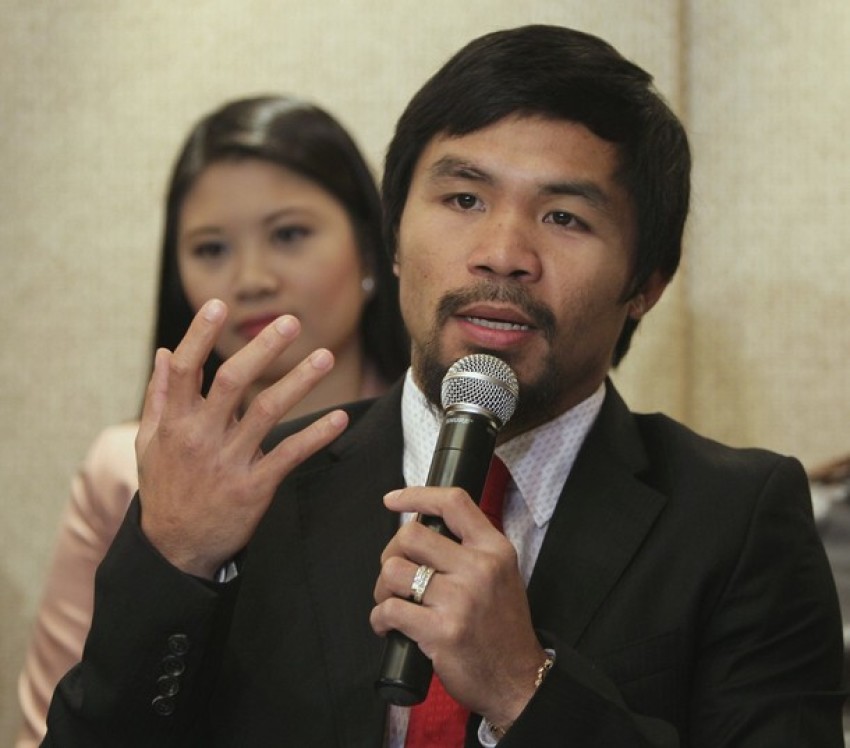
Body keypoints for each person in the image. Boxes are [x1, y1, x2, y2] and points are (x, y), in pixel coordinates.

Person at [42, 25, 844, 747]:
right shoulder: (257, 484)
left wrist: (522, 686)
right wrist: (175, 560)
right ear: (392, 238)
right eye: (463, 199)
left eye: (564, 217)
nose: (502, 252)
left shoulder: (735, 518)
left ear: (648, 282)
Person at [16, 94, 408, 747]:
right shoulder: (124, 468)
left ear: (371, 248)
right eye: (210, 248)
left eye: (289, 234)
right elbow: (56, 728)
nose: (249, 278)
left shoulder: (450, 445)